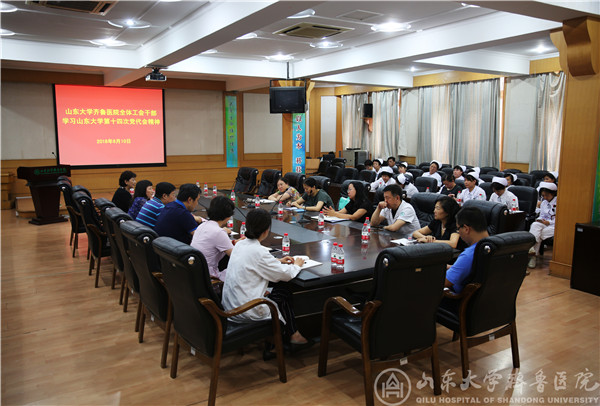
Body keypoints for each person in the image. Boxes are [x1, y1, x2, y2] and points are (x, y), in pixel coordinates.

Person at [222, 209, 310, 359]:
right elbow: (286, 274)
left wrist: (277, 261)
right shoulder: (259, 252)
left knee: (280, 292)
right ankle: (279, 342)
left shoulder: (240, 245)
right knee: (283, 290)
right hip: (246, 310)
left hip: (230, 305)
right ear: (266, 230)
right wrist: (298, 264)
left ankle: (288, 337)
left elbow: (255, 262)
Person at [190, 196, 244, 281]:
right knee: (243, 270)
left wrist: (234, 242)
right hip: (209, 277)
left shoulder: (202, 225)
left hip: (195, 273)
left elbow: (212, 243)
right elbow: (236, 256)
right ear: (229, 215)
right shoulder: (219, 232)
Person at [445, 206, 489, 293]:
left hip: (455, 301)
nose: (458, 233)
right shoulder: (495, 247)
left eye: (458, 229)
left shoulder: (468, 255)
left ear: (466, 229)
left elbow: (444, 282)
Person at [528, 182, 557, 268]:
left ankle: (533, 255)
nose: (544, 197)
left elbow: (560, 219)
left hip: (554, 226)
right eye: (543, 195)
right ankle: (532, 251)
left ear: (553, 194)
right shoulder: (544, 203)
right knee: (535, 224)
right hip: (544, 223)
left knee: (539, 234)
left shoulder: (560, 202)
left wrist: (549, 222)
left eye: (547, 195)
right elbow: (542, 215)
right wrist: (540, 220)